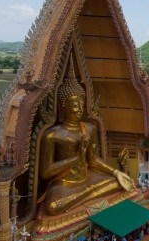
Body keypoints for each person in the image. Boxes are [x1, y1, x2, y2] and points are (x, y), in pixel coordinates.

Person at [38, 60, 135, 218]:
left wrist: (116, 172)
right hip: (65, 184)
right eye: (74, 104)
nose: (79, 108)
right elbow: (45, 172)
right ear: (63, 106)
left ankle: (85, 198)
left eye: (81, 103)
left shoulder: (89, 128)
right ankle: (86, 198)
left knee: (119, 182)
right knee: (53, 206)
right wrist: (76, 157)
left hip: (87, 179)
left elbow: (94, 161)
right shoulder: (53, 134)